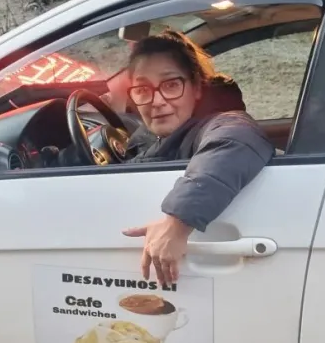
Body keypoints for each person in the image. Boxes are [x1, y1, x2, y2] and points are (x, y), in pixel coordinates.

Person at [117, 30, 276, 286]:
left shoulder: (219, 124)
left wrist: (177, 222)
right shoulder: (149, 135)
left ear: (197, 88)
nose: (156, 101)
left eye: (170, 85)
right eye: (143, 89)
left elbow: (237, 139)